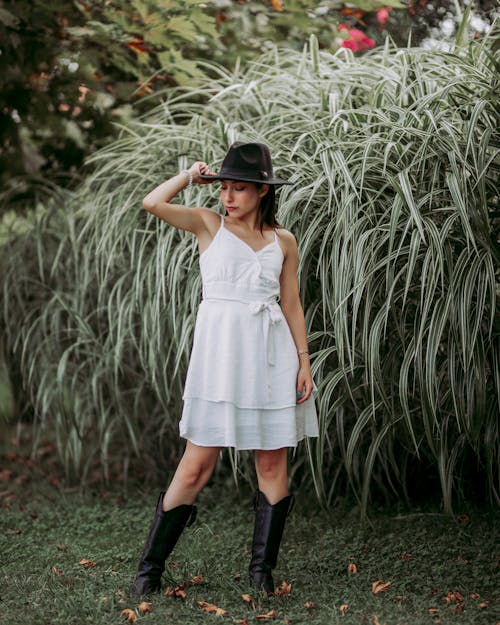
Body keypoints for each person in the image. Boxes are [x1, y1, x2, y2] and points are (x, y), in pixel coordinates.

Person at [131, 142, 319, 597]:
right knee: (197, 464)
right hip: (220, 358)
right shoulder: (208, 224)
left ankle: (262, 573)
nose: (228, 197)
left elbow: (291, 303)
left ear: (261, 192)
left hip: (271, 355)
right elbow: (152, 203)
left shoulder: (284, 241)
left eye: (239, 189)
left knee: (273, 461)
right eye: (224, 187)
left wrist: (304, 363)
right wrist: (190, 177)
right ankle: (149, 571)